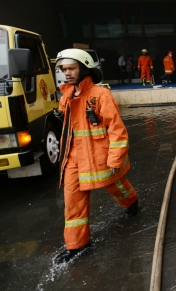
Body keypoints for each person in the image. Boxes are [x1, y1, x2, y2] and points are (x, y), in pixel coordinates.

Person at [53, 48, 138, 265]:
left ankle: (131, 203)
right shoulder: (67, 95)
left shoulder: (101, 95)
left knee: (116, 185)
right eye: (64, 69)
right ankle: (77, 244)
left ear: (84, 68)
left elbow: (116, 129)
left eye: (71, 68)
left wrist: (115, 159)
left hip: (99, 156)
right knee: (72, 201)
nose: (67, 73)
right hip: (73, 158)